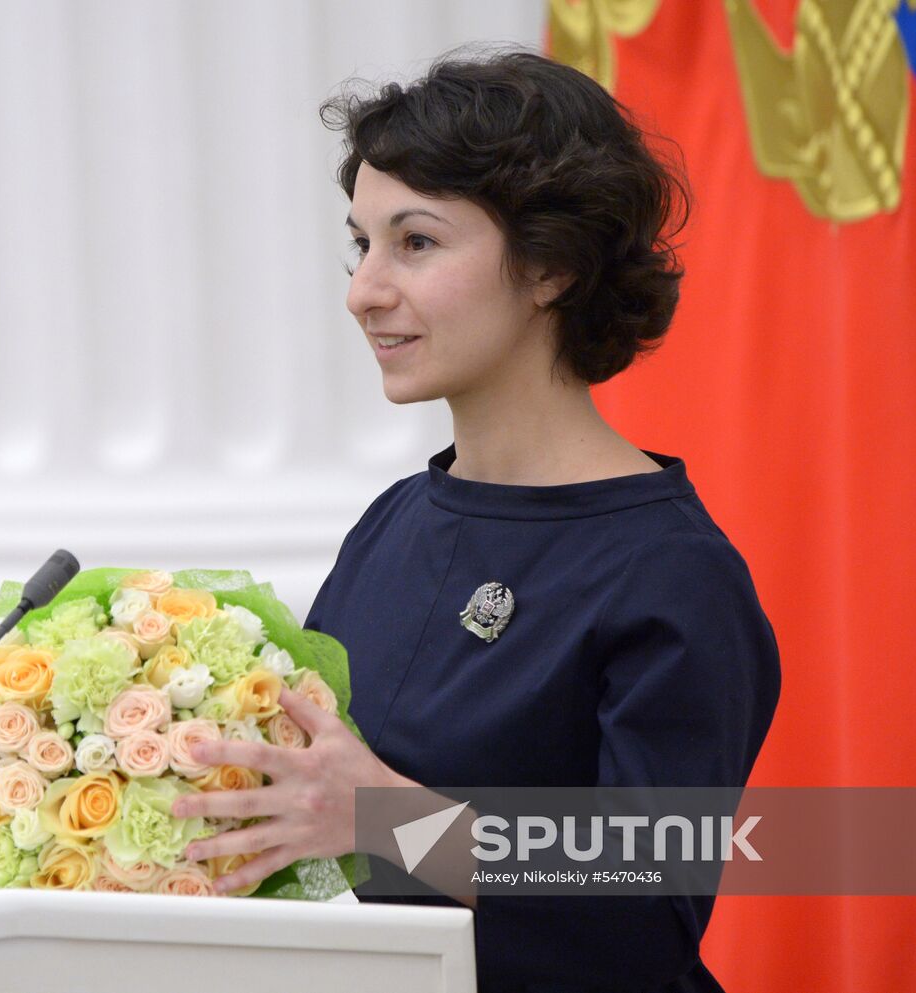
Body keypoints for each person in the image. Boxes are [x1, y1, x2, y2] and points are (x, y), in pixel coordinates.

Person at [170, 46, 780, 992]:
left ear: (552, 267)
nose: (364, 289)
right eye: (362, 243)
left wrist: (389, 818)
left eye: (416, 242)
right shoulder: (395, 521)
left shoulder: (670, 572)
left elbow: (646, 921)